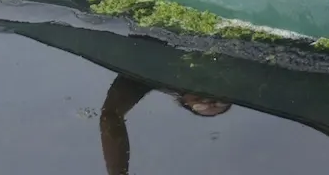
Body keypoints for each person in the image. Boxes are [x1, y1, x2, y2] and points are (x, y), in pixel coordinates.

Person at [99, 74, 231, 175]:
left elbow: (110, 116)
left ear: (182, 100)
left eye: (201, 104)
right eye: (217, 101)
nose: (209, 101)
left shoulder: (152, 76)